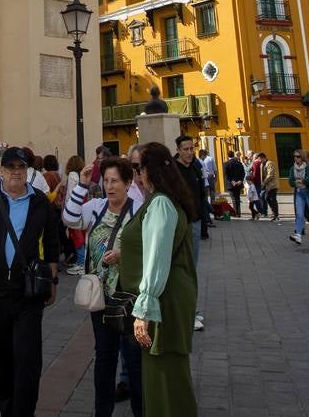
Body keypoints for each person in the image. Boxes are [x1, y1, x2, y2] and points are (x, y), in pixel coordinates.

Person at [0, 146, 60, 417]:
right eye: (11, 167)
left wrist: (52, 280)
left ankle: (23, 413)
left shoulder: (40, 201)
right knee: (1, 360)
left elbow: (52, 244)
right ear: (1, 171)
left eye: (21, 167)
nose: (17, 172)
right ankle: (8, 411)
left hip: (27, 293)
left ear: (27, 171)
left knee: (28, 360)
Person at [63, 157, 143, 417]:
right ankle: (102, 412)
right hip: (101, 296)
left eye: (115, 181)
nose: (110, 187)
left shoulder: (138, 209)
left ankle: (140, 410)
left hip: (129, 296)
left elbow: (148, 248)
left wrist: (123, 253)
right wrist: (81, 186)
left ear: (128, 183)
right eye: (106, 181)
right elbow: (70, 219)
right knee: (105, 357)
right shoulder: (96, 207)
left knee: (133, 361)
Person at [123, 142, 198, 415]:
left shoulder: (160, 204)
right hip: (167, 298)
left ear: (149, 171)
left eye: (136, 168)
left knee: (164, 380)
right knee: (166, 377)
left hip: (162, 302)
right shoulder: (165, 201)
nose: (135, 175)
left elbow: (156, 257)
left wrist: (144, 309)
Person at [173, 135, 208, 332]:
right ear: (177, 149)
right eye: (185, 149)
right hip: (179, 223)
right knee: (182, 268)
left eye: (191, 148)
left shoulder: (196, 167)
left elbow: (202, 195)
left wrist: (202, 223)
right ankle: (187, 313)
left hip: (194, 222)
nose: (189, 152)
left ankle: (191, 310)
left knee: (192, 268)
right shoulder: (173, 170)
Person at [287, 149, 309, 244]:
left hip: (308, 192)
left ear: (302, 158)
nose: (295, 158)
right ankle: (298, 235)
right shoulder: (292, 168)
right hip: (298, 192)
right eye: (294, 156)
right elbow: (290, 182)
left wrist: (299, 181)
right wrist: (299, 181)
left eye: (298, 156)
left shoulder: (308, 167)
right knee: (299, 214)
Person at [63, 154, 89, 274]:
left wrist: (67, 210)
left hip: (74, 208)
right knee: (81, 236)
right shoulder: (81, 175)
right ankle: (82, 261)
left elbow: (70, 194)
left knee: (77, 236)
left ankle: (81, 263)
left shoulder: (72, 175)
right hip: (83, 207)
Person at [223, 151, 246, 218]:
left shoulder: (226, 164)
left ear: (228, 156)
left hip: (231, 184)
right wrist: (240, 180)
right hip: (238, 183)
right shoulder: (239, 163)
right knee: (237, 198)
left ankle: (236, 213)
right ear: (233, 155)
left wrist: (232, 181)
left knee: (233, 198)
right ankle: (239, 213)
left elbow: (226, 175)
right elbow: (243, 173)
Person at [258, 152, 280, 221]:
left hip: (272, 185)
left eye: (260, 159)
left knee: (273, 199)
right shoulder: (262, 164)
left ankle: (276, 215)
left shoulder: (270, 163)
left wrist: (264, 182)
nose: (259, 160)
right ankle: (274, 213)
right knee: (266, 198)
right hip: (267, 185)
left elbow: (270, 175)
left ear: (263, 158)